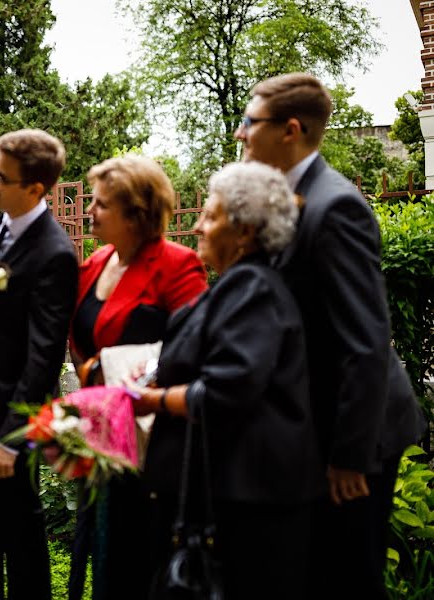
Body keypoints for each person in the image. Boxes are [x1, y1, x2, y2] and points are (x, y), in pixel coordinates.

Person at [234, 72, 426, 598]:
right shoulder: (288, 198)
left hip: (359, 439)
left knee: (346, 578)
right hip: (317, 428)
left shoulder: (333, 205)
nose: (239, 135)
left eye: (249, 123)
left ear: (289, 129)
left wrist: (349, 457)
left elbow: (365, 341)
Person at [128, 161, 322, 599]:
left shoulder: (252, 288)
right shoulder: (232, 286)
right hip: (228, 498)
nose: (197, 227)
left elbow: (225, 392)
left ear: (245, 231)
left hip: (248, 507)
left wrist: (153, 400)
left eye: (210, 217)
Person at [66, 155, 207, 599]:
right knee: (103, 556)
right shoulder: (96, 263)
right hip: (104, 436)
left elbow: (192, 349)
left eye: (102, 205)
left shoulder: (178, 266)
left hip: (152, 443)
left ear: (137, 214)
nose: (90, 212)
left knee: (140, 560)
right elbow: (80, 339)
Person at [0, 129, 77, 600]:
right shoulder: (1, 227)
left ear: (34, 189)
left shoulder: (55, 253)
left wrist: (11, 439)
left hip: (12, 425)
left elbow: (44, 357)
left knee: (21, 540)